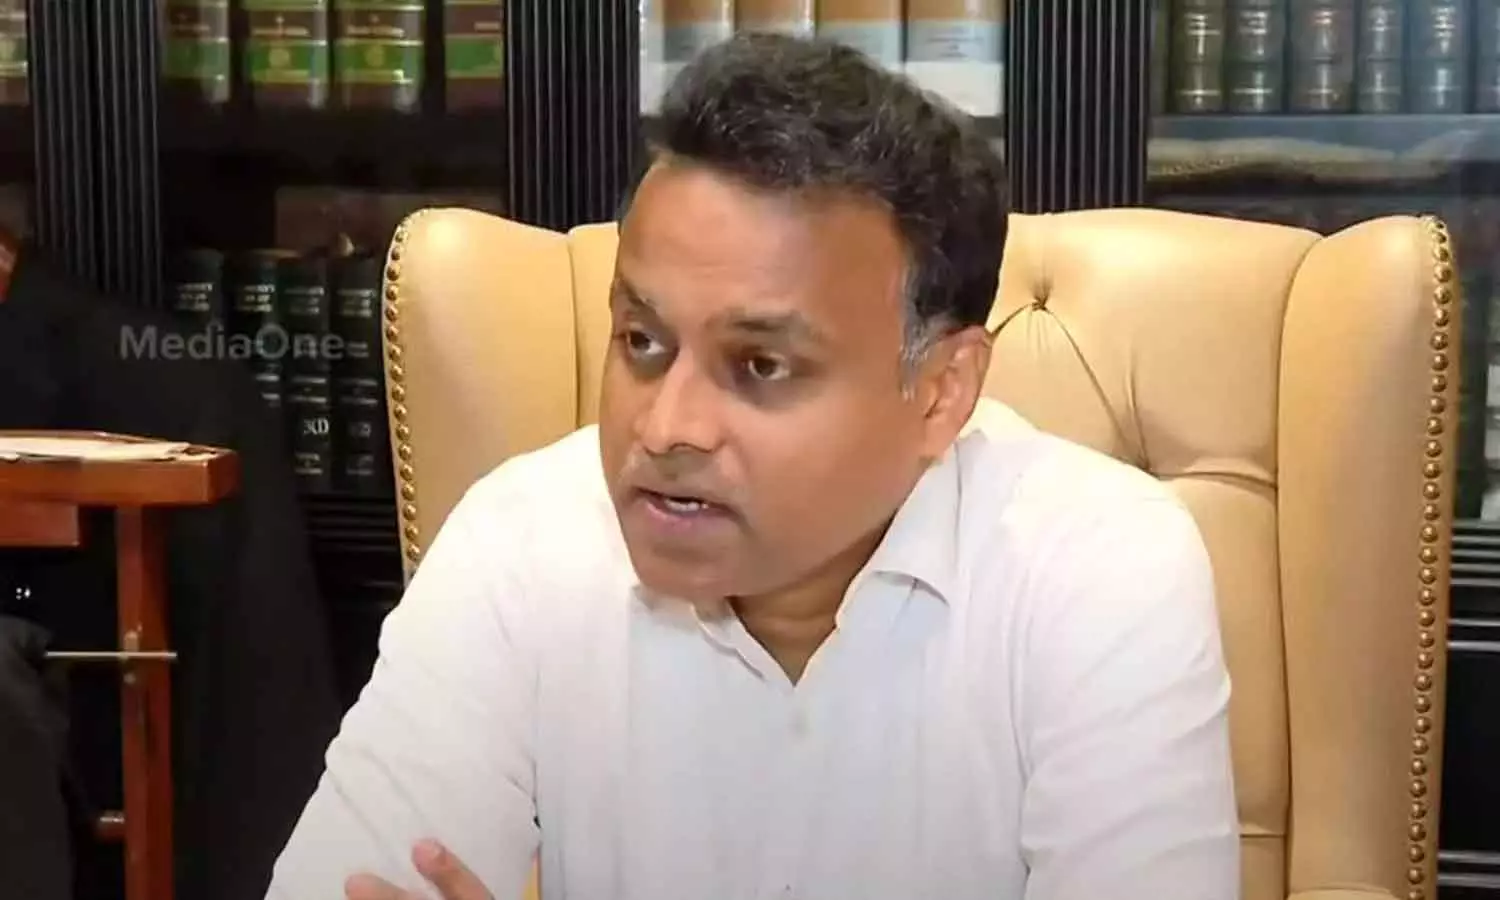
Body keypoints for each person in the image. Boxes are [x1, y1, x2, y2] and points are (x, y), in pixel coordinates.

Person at [263, 32, 1239, 900]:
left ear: (942, 393)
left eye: (761, 366)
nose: (666, 428)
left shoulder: (1097, 568)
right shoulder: (520, 541)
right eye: (642, 342)